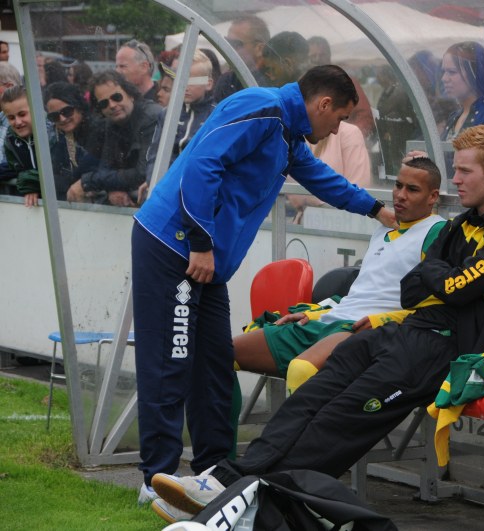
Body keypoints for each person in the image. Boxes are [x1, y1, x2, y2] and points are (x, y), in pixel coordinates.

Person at [149, 124, 484, 523]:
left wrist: (445, 278)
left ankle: (247, 505)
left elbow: (451, 288)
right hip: (409, 328)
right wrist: (454, 278)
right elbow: (413, 289)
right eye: (455, 170)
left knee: (338, 422)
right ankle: (226, 481)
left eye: (464, 172)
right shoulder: (460, 225)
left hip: (450, 348)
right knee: (312, 397)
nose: (456, 180)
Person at [132, 64, 396, 506]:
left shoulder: (289, 132)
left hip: (207, 258)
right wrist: (198, 241)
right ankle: (154, 476)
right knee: (170, 361)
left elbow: (320, 179)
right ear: (323, 103)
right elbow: (202, 164)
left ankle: (214, 474)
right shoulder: (264, 109)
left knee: (214, 362)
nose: (337, 129)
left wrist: (374, 209)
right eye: (339, 119)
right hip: (175, 246)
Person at [238, 157, 445, 398]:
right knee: (220, 353)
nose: (400, 195)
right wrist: (314, 312)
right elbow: (362, 292)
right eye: (398, 186)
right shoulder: (383, 229)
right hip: (330, 320)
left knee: (301, 369)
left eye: (412, 189)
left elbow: (436, 308)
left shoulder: (437, 232)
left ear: (433, 196)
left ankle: (291, 437)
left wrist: (383, 320)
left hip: (362, 332)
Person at [66, 70, 161, 206]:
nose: (112, 105)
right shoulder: (111, 123)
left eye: (116, 97)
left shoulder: (150, 118)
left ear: (130, 95)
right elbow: (106, 167)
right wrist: (113, 189)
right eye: (103, 103)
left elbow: (143, 173)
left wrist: (87, 181)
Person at [143, 51, 216, 203]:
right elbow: (155, 155)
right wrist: (153, 182)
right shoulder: (167, 114)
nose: (186, 86)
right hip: (166, 192)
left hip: (199, 195)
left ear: (208, 84)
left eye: (193, 80)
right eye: (182, 79)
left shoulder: (216, 116)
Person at [287, 120, 371, 222]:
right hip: (299, 224)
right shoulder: (295, 131)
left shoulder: (349, 133)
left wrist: (308, 197)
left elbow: (359, 188)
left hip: (339, 224)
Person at [303, 35, 375, 141]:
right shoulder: (300, 84)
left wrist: (350, 137)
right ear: (306, 59)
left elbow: (365, 115)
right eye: (313, 56)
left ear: (329, 57)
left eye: (322, 55)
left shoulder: (346, 82)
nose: (318, 59)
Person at [214, 15, 270, 102]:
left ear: (260, 49)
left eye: (235, 44)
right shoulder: (227, 80)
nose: (228, 48)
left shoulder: (273, 81)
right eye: (227, 42)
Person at [44, 81, 104, 160]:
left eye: (67, 111)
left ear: (79, 106)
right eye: (54, 116)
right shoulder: (57, 141)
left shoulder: (101, 132)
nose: (62, 119)